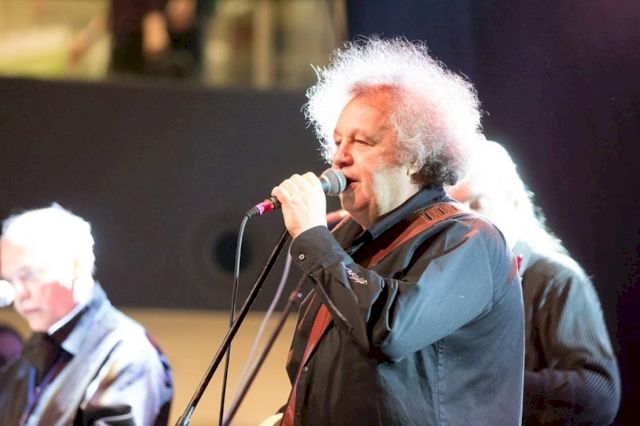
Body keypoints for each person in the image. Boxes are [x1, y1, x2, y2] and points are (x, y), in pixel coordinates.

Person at [268, 37, 525, 425]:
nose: (339, 157)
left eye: (361, 141)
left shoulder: (470, 241)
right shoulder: (347, 241)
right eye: (337, 141)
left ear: (415, 157)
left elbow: (387, 331)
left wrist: (314, 239)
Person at [448, 140, 621, 424]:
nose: (467, 220)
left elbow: (600, 394)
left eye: (479, 203)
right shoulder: (455, 285)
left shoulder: (555, 279)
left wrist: (494, 382)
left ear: (514, 203)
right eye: (455, 209)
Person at [0, 204, 173, 425]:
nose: (20, 293)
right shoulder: (29, 358)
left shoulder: (127, 353)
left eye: (30, 274)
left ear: (75, 266)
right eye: (10, 279)